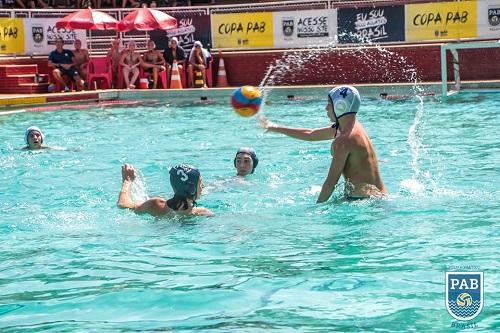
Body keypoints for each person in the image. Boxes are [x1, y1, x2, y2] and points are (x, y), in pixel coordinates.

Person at [261, 85, 387, 202]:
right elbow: (310, 134)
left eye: (329, 103)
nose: (325, 108)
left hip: (364, 203)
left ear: (340, 106)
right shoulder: (351, 128)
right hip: (375, 199)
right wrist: (274, 127)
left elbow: (330, 184)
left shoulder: (344, 140)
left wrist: (316, 209)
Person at [117, 163, 213, 216]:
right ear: (191, 189)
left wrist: (127, 181)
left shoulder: (156, 205)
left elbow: (123, 205)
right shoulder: (202, 213)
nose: (203, 186)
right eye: (200, 182)